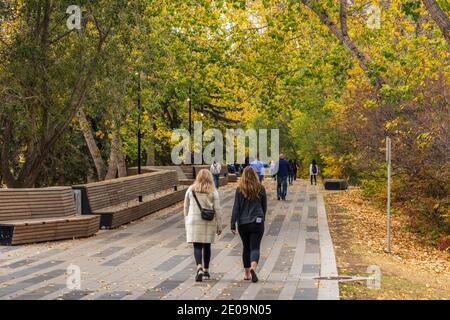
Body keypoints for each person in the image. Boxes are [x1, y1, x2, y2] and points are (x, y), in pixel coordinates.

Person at [184, 169, 223, 282]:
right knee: (207, 245)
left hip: (194, 220)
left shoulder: (191, 189)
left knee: (197, 245)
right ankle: (206, 270)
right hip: (208, 221)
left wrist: (187, 221)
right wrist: (219, 226)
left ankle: (199, 267)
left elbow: (186, 207)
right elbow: (217, 209)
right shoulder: (213, 191)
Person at [231, 167, 267, 283]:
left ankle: (247, 274)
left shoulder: (239, 189)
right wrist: (262, 218)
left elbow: (236, 207)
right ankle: (253, 267)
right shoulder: (260, 188)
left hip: (243, 223)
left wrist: (232, 223)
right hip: (257, 221)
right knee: (255, 247)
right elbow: (264, 205)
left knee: (246, 247)